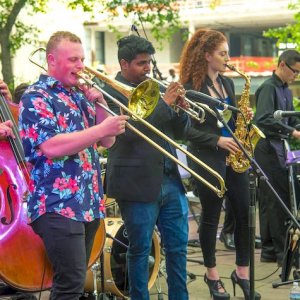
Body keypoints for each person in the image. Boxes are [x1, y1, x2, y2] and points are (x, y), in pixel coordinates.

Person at [18, 31, 128, 300]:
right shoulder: (36, 96)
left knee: (74, 282)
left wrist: (101, 105)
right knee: (70, 283)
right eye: (73, 60)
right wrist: (100, 127)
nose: (81, 66)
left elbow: (108, 140)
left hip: (87, 203)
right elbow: (51, 146)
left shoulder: (78, 95)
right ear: (52, 60)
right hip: (56, 203)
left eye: (82, 59)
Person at [103, 34, 190, 300]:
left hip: (170, 179)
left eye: (149, 62)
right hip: (136, 182)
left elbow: (180, 132)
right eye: (141, 63)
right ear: (124, 63)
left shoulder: (154, 87)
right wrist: (165, 105)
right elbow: (128, 132)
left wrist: (180, 110)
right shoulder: (108, 91)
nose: (148, 68)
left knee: (178, 248)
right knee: (140, 249)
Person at [179, 28, 261, 300]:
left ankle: (242, 272)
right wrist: (216, 141)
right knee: (212, 217)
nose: (228, 58)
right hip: (208, 157)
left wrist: (243, 115)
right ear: (206, 55)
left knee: (244, 214)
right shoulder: (191, 88)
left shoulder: (226, 85)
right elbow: (185, 130)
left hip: (234, 156)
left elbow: (231, 118)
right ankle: (212, 275)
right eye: (222, 53)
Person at [254, 49, 300, 265]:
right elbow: (262, 119)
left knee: (273, 200)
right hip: (266, 148)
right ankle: (282, 254)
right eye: (294, 71)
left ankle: (270, 250)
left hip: (279, 148)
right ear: (282, 65)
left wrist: (295, 128)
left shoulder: (286, 91)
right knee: (275, 200)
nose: (296, 76)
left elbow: (289, 122)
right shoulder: (268, 88)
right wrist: (292, 132)